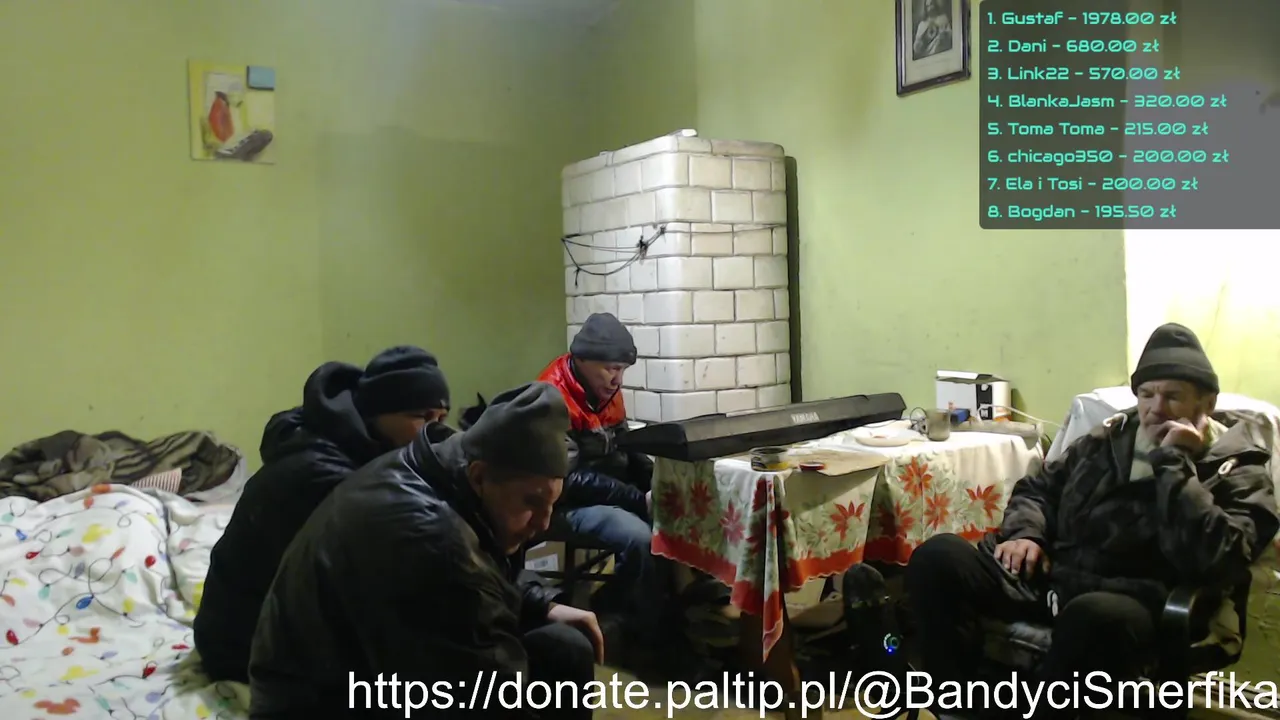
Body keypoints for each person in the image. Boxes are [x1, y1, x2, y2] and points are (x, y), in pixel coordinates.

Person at [905, 323, 1279, 716]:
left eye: (1173, 396)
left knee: (1093, 617)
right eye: (1147, 394)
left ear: (1207, 404)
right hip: (1051, 579)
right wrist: (1026, 534)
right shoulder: (1107, 439)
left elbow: (1219, 556)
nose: (1156, 408)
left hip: (1136, 600)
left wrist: (1174, 463)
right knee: (938, 557)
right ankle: (959, 706)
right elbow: (1039, 489)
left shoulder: (1237, 467)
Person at [248, 382, 599, 719]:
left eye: (552, 504)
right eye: (532, 502)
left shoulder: (435, 468)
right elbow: (489, 700)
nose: (543, 523)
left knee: (563, 650)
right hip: (318, 704)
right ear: (479, 477)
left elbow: (486, 570)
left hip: (356, 671)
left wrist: (541, 603)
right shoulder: (432, 538)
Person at [195, 346, 451, 683]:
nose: (435, 434)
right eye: (422, 417)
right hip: (242, 646)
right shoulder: (320, 475)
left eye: (441, 419)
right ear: (377, 413)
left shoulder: (366, 455)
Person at [535, 314, 665, 651]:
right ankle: (641, 635)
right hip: (565, 503)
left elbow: (626, 447)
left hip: (607, 492)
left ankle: (652, 615)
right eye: (610, 369)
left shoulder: (606, 390)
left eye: (622, 370)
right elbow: (568, 478)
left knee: (674, 521)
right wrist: (636, 499)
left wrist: (658, 483)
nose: (617, 379)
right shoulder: (553, 397)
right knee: (638, 538)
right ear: (581, 360)